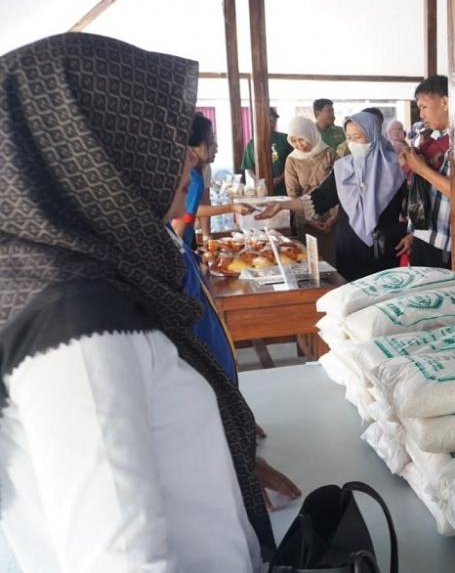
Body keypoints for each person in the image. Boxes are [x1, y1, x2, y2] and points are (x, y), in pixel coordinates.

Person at [0, 32, 294, 571]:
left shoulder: (76, 278)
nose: (187, 160)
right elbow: (122, 559)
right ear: (95, 148)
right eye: (161, 136)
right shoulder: (78, 325)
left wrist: (222, 459)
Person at [257, 112, 406, 281]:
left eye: (357, 137)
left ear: (373, 135)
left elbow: (414, 208)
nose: (352, 143)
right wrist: (282, 205)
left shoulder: (396, 168)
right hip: (349, 247)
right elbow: (319, 198)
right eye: (349, 137)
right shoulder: (343, 168)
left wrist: (411, 234)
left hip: (384, 248)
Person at [171, 113, 254, 249]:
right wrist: (231, 207)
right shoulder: (193, 179)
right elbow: (179, 224)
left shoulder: (186, 170)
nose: (216, 147)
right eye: (211, 141)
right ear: (198, 145)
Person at [397, 76, 454, 269]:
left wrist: (421, 169)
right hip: (424, 236)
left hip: (445, 243)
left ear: (445, 102)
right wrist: (415, 233)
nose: (421, 114)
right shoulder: (430, 140)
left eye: (424, 107)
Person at [284, 115, 338, 260]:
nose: (299, 145)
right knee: (308, 260)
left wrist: (334, 217)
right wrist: (309, 219)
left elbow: (339, 188)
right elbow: (292, 193)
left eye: (302, 139)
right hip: (305, 219)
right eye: (294, 140)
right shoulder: (292, 160)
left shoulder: (330, 154)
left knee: (330, 259)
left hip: (330, 218)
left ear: (311, 134)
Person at [242, 106, 294, 195]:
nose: (272, 123)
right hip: (261, 191)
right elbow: (249, 167)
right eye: (269, 120)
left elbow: (293, 163)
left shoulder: (285, 138)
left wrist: (279, 179)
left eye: (273, 120)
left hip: (284, 189)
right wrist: (256, 180)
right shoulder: (252, 143)